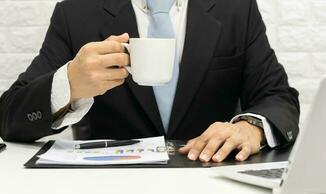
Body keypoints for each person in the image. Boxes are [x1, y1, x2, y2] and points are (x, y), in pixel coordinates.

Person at [0, 0, 300, 163]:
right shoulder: (75, 12)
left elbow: (277, 95)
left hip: (212, 178)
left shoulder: (236, 8)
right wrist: (70, 83)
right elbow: (9, 117)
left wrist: (252, 127)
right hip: (107, 187)